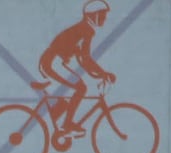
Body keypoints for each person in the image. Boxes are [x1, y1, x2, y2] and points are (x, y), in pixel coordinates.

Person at [37, 0, 116, 136]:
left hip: (52, 61)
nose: (104, 18)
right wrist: (103, 73)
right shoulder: (86, 30)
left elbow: (83, 60)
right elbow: (85, 59)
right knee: (81, 88)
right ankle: (66, 124)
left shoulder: (84, 28)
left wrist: (99, 73)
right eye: (102, 15)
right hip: (52, 62)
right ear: (92, 15)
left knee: (72, 93)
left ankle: (56, 122)